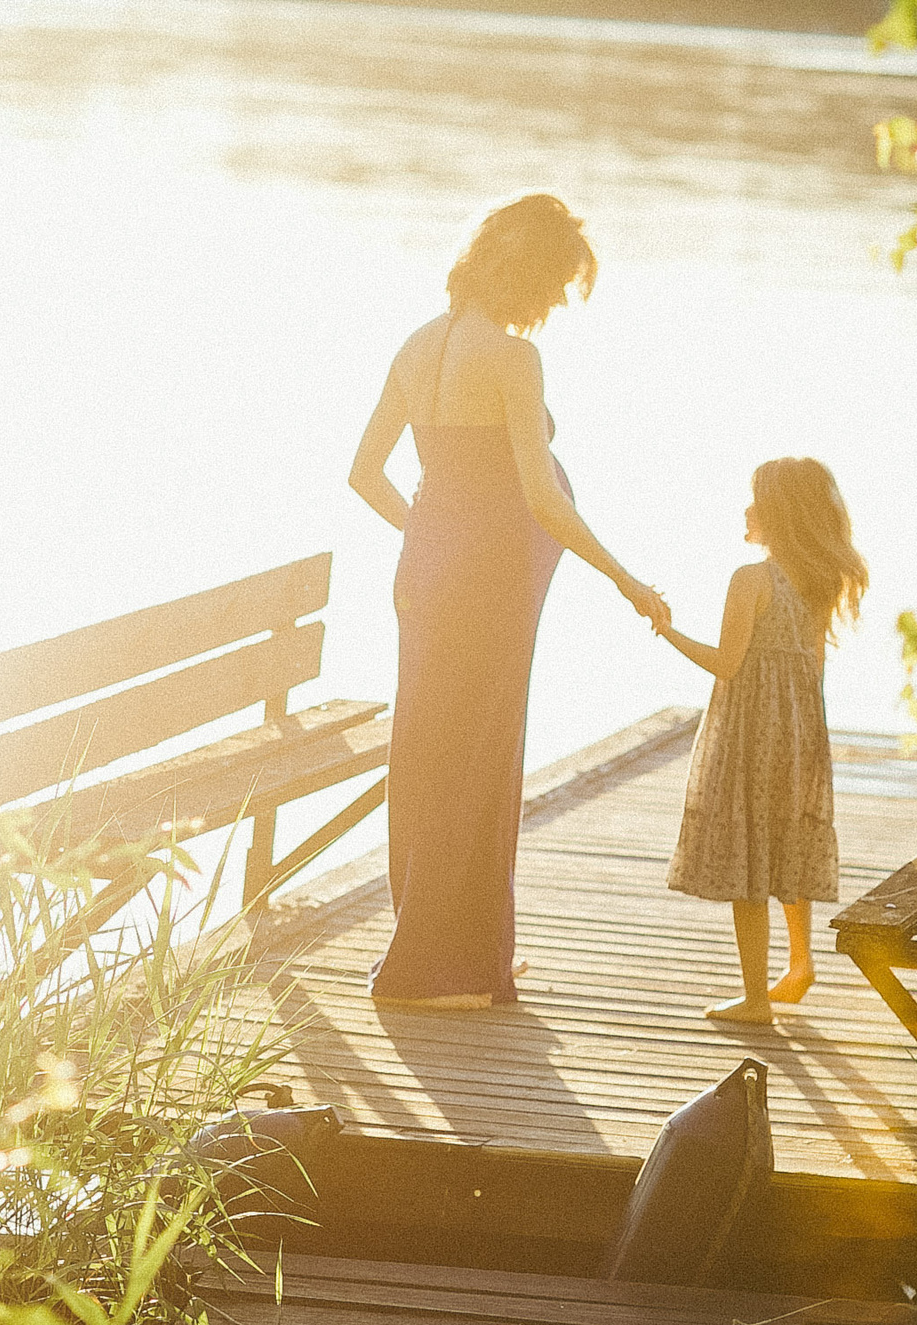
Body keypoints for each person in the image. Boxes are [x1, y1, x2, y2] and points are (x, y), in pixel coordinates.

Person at [348, 194, 669, 1011]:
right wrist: (625, 578)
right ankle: (434, 969)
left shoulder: (417, 345)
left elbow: (364, 474)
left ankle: (451, 949)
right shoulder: (513, 360)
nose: (559, 303)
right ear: (527, 276)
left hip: (425, 574)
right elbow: (542, 498)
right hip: (486, 583)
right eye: (558, 284)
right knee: (478, 759)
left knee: (426, 755)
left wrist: (429, 528)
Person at [654, 457, 869, 1024]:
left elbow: (727, 663)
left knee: (749, 852)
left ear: (777, 513)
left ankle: (754, 1000)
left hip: (751, 729)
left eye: (754, 500)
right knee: (785, 840)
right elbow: (814, 665)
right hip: (799, 730)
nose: (746, 509)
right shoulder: (818, 580)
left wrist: (666, 629)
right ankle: (800, 966)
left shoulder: (751, 580)